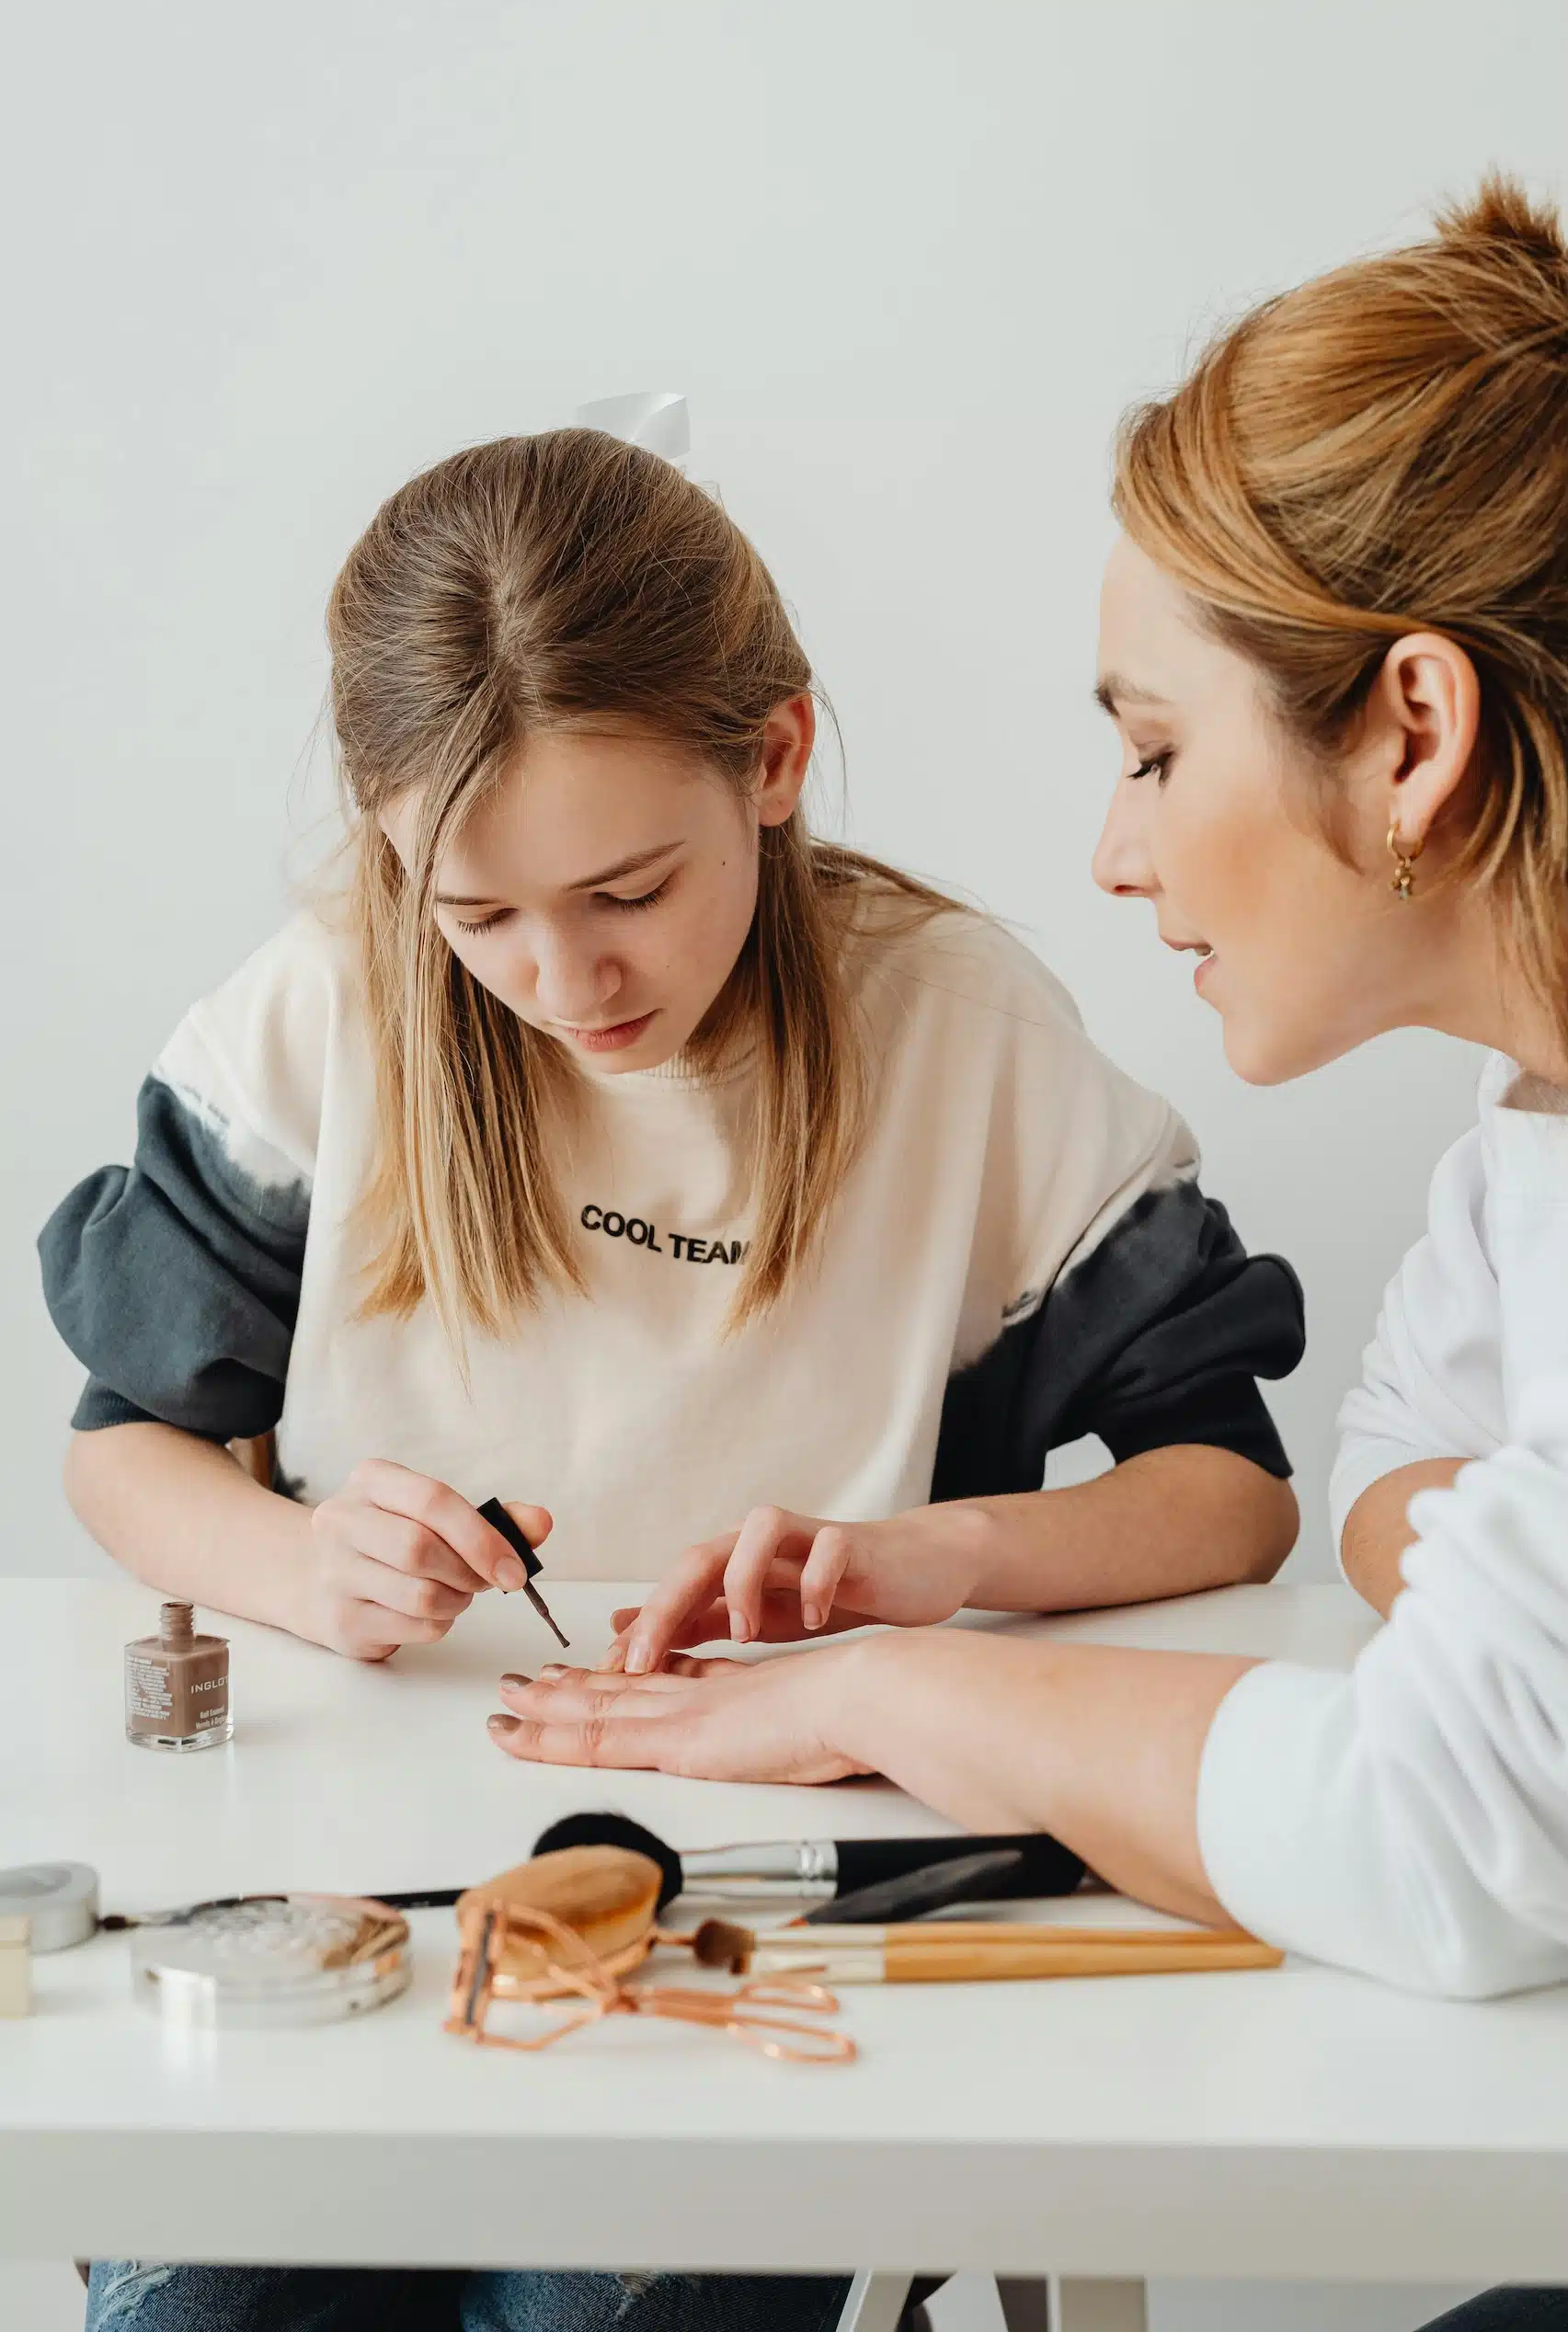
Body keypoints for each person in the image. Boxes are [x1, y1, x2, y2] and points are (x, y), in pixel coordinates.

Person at [42, 427, 1300, 2331]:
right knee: (192, 2292)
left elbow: (1230, 1484)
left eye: (629, 886)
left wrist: (929, 1555)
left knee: (575, 2293)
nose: (566, 979)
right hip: (345, 1874)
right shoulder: (325, 1006)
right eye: (476, 919)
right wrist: (303, 1567)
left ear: (775, 758)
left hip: (769, 1902)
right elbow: (125, 1448)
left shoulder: (961, 1035)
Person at [490, 182, 1568, 2332]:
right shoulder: (1524, 1119)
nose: (1114, 839)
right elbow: (1392, 1456)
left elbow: (1445, 1834)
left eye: (1158, 747)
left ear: (1414, 736)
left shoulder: (973, 1028)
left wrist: (895, 1686)